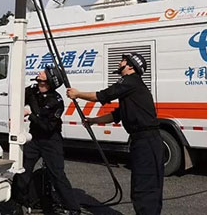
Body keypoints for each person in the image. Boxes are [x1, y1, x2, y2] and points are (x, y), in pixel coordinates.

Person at [67, 53, 164, 215]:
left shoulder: (130, 80)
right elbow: (117, 114)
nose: (120, 62)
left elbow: (102, 96)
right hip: (143, 141)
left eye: (123, 60)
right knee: (143, 184)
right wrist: (93, 121)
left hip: (146, 142)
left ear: (131, 66)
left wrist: (77, 94)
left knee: (145, 187)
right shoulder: (132, 87)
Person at [14, 69, 81, 215]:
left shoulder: (56, 101)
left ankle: (72, 208)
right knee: (22, 169)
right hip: (34, 137)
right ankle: (18, 202)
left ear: (49, 82)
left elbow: (47, 126)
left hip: (51, 140)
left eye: (43, 74)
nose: (39, 73)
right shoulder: (33, 91)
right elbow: (18, 97)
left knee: (57, 174)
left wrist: (30, 114)